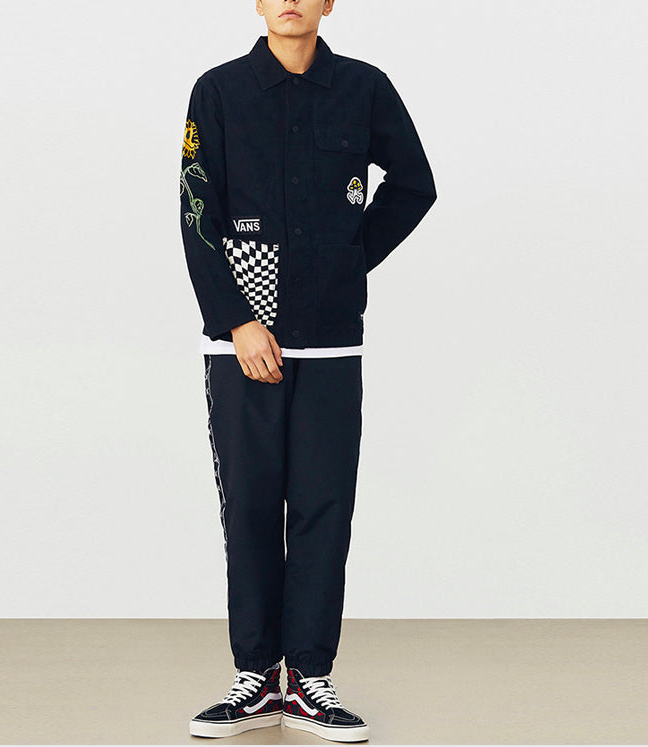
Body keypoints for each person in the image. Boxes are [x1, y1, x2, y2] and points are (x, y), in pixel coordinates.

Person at [179, 0, 437, 741]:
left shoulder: (363, 87)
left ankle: (310, 679)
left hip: (329, 343)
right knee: (251, 509)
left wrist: (346, 262)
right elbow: (197, 209)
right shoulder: (219, 91)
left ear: (328, 2)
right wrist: (236, 319)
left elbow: (415, 183)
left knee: (324, 507)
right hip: (243, 344)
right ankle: (257, 676)